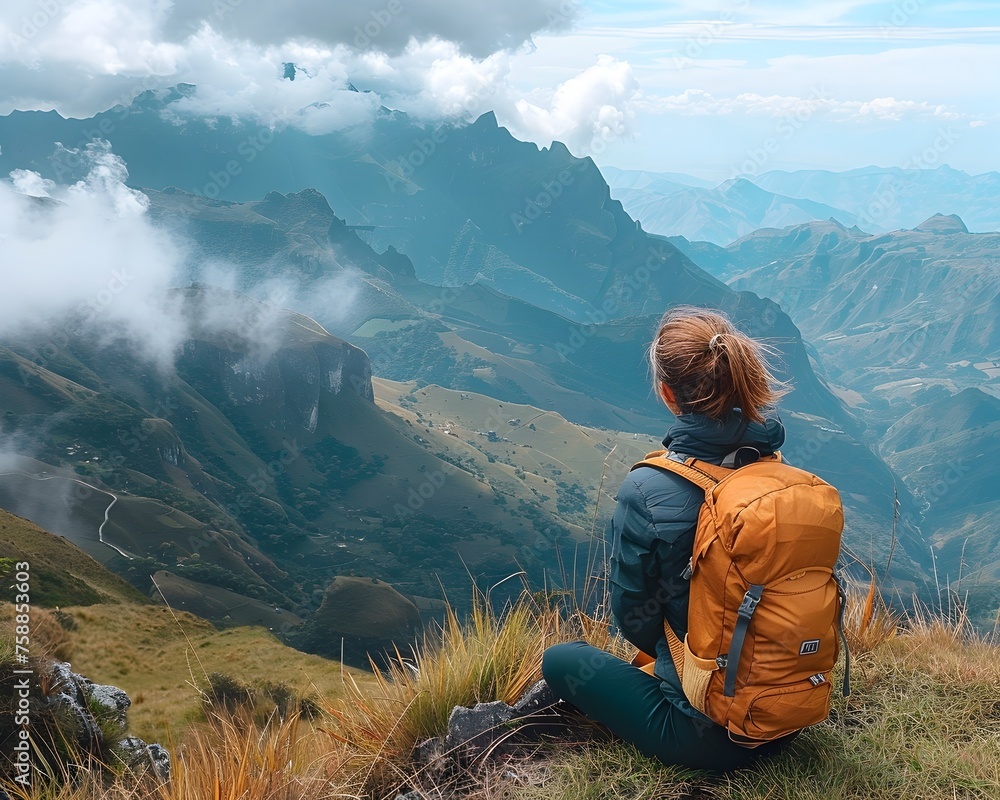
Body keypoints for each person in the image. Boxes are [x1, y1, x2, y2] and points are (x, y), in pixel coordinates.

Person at [542, 306, 798, 770]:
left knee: (562, 659)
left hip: (709, 736)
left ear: (666, 393)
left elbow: (634, 621)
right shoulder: (780, 474)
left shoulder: (649, 488)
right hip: (795, 710)